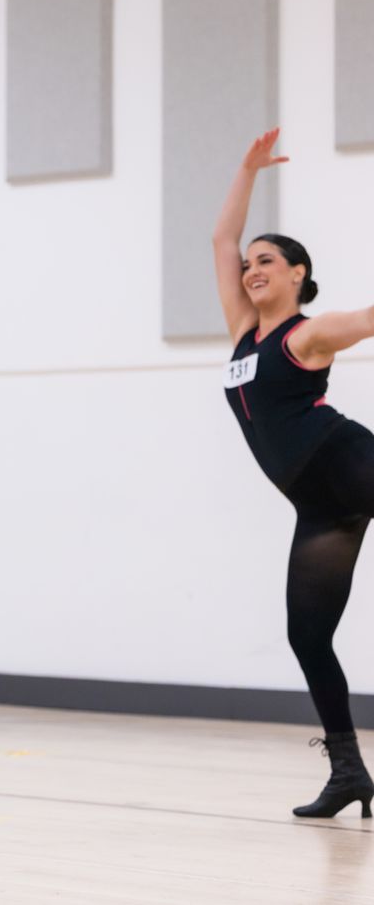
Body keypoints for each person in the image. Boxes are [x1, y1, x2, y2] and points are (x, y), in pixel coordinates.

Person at [213, 128, 374, 819]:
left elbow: (366, 319)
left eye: (268, 261)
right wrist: (247, 170)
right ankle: (349, 774)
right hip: (317, 507)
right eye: (251, 262)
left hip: (347, 464)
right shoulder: (244, 334)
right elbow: (222, 242)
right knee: (308, 636)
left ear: (298, 274)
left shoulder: (306, 334)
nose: (252, 267)